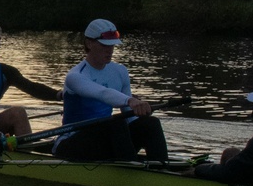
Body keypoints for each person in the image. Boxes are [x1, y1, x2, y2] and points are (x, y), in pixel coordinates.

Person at [51, 19, 168, 162]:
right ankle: (129, 168)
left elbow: (129, 117)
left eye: (112, 45)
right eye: (104, 45)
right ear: (89, 43)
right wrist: (130, 100)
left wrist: (141, 112)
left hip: (104, 139)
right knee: (115, 122)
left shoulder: (120, 71)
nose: (110, 50)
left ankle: (161, 166)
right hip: (71, 143)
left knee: (150, 123)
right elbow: (102, 93)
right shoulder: (76, 76)